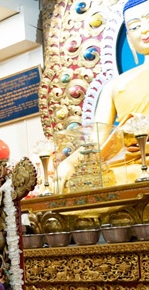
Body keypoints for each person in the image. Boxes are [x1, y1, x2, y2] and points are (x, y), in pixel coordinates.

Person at [58, 0, 149, 189]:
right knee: (89, 182)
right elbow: (96, 139)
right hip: (130, 165)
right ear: (129, 39)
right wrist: (69, 163)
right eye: (135, 26)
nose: (144, 30)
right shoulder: (115, 86)